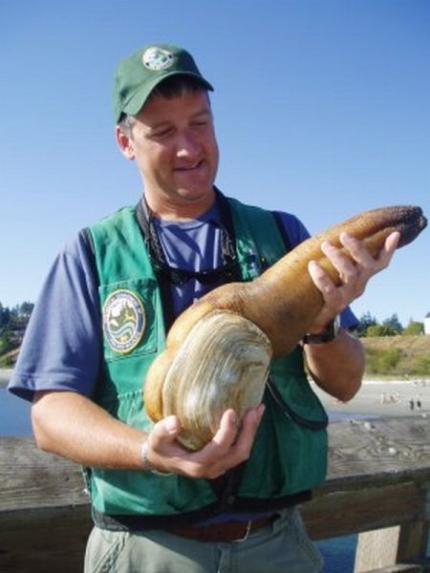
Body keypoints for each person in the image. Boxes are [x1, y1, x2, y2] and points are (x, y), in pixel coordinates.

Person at [8, 44, 400, 573]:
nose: (189, 147)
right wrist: (149, 452)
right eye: (163, 132)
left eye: (199, 123)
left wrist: (324, 324)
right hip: (147, 551)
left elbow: (346, 384)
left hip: (277, 545)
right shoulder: (92, 253)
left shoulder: (284, 237)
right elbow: (51, 417)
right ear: (126, 142)